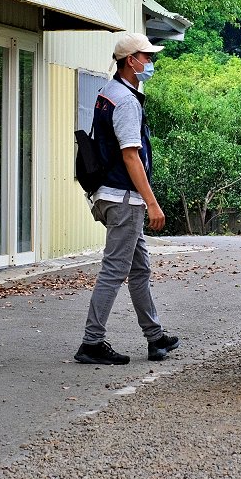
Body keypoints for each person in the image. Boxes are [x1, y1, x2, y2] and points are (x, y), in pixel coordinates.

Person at [74, 32, 181, 366]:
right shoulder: (126, 101)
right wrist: (152, 202)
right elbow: (131, 156)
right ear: (130, 60)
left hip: (112, 194)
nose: (150, 62)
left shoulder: (108, 93)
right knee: (114, 270)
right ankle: (92, 342)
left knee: (139, 269)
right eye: (146, 57)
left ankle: (155, 337)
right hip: (125, 199)